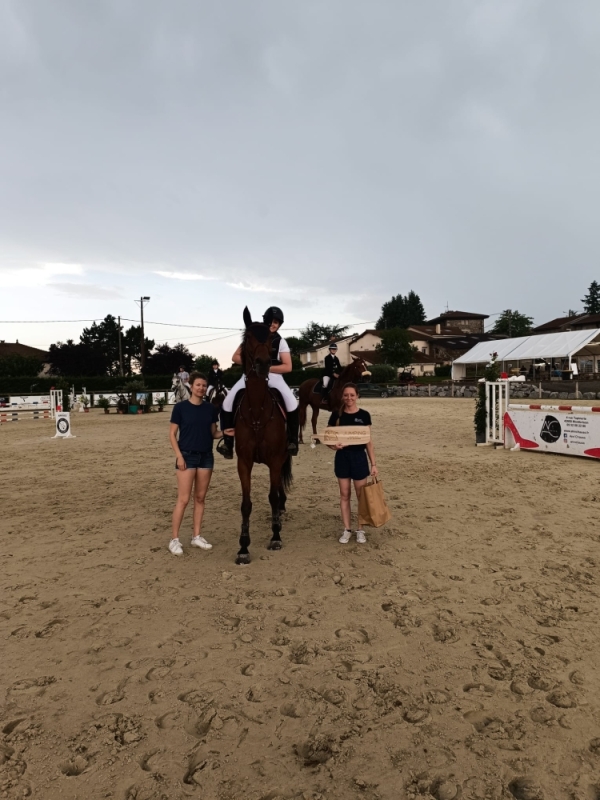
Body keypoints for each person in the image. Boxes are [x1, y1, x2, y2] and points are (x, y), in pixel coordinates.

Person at [218, 306, 299, 458]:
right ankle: (228, 442)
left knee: (292, 403)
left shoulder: (280, 341)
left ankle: (292, 441)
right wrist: (253, 365)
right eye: (271, 321)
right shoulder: (254, 335)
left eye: (276, 322)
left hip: (273, 377)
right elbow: (235, 357)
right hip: (251, 376)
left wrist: (267, 369)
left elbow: (288, 366)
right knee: (227, 402)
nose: (273, 324)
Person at [168, 371, 223, 556]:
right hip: (187, 456)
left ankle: (196, 536)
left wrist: (228, 432)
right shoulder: (180, 408)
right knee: (183, 499)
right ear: (191, 386)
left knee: (200, 499)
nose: (201, 388)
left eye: (204, 385)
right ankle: (174, 539)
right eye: (198, 385)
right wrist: (179, 456)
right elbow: (172, 434)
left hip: (206, 457)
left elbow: (214, 433)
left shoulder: (210, 409)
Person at [327, 383, 378, 544]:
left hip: (359, 458)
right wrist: (334, 446)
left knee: (361, 496)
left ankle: (360, 529)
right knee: (344, 495)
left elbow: (369, 442)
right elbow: (328, 438)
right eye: (346, 395)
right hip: (342, 458)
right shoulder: (336, 415)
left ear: (357, 396)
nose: (349, 398)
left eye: (352, 395)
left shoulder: (364, 415)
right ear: (342, 396)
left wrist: (373, 464)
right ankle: (347, 529)